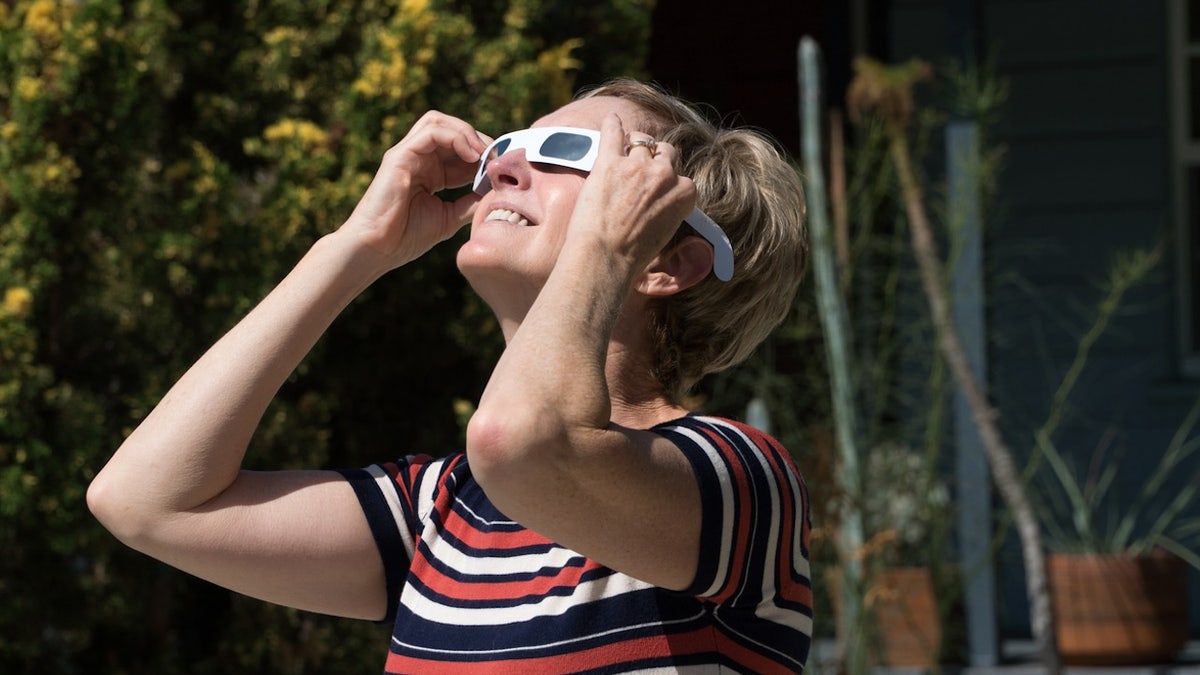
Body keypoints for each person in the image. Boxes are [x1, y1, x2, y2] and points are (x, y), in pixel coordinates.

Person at [88, 78, 813, 673]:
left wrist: (607, 248)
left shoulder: (740, 480)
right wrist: (355, 249)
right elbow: (148, 501)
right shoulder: (444, 510)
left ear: (669, 261)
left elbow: (522, 442)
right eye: (506, 146)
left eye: (564, 152)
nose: (502, 165)